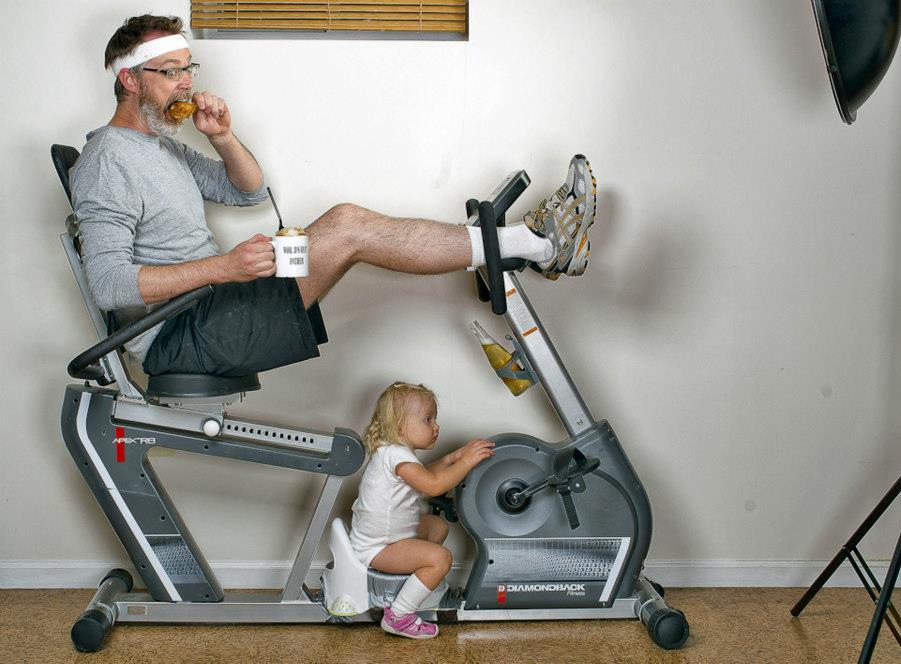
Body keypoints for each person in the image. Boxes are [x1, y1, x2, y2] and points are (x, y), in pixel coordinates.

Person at [70, 14, 598, 378]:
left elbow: (248, 191)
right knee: (347, 225)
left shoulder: (161, 145)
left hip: (211, 305)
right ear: (130, 80)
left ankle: (511, 245)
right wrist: (225, 268)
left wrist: (223, 137)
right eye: (171, 72)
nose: (186, 83)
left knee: (347, 225)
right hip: (179, 333)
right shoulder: (107, 160)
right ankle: (536, 244)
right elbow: (109, 286)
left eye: (189, 69)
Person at [349, 382, 495, 639]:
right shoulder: (397, 457)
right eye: (428, 419)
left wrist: (452, 459)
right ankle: (399, 615)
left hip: (388, 536)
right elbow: (433, 485)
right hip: (378, 547)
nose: (436, 426)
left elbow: (424, 475)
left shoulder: (394, 452)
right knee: (442, 559)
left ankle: (415, 581)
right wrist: (467, 461)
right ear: (399, 424)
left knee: (437, 526)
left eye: (434, 419)